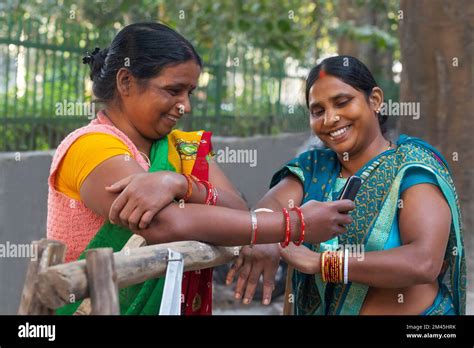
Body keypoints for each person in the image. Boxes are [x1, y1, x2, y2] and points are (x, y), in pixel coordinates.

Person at [46, 23, 355, 315]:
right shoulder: (90, 147)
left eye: (189, 93)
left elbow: (236, 206)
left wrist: (181, 184)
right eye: (173, 90)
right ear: (126, 82)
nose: (186, 105)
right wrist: (294, 224)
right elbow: (163, 224)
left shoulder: (183, 147)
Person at [227, 56, 466, 315]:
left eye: (342, 103)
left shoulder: (411, 165)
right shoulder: (314, 167)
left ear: (374, 100)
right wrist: (263, 236)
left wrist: (323, 263)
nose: (330, 118)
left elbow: (424, 262)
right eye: (318, 111)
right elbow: (270, 207)